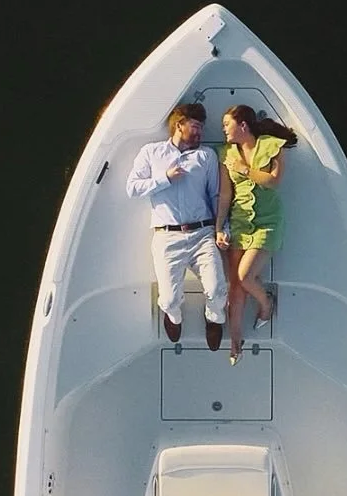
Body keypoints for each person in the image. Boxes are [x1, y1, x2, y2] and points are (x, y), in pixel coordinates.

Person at [125, 102, 228, 351]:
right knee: (170, 299)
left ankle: (214, 319)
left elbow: (215, 195)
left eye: (202, 127)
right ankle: (173, 316)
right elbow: (132, 188)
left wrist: (221, 228)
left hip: (202, 233)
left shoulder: (206, 156)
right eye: (195, 126)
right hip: (167, 236)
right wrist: (165, 179)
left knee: (217, 289)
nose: (200, 132)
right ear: (179, 124)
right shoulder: (151, 152)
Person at [215, 104, 297, 364]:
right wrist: (219, 227)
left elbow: (274, 181)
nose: (223, 130)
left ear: (242, 125)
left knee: (245, 276)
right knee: (235, 287)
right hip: (240, 223)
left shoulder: (272, 146)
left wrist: (245, 170)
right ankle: (235, 342)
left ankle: (266, 303)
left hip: (267, 222)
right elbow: (225, 194)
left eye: (226, 124)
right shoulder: (226, 153)